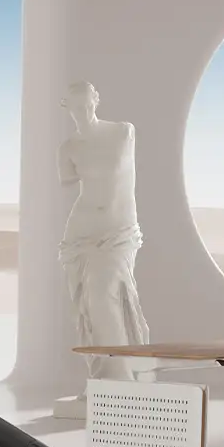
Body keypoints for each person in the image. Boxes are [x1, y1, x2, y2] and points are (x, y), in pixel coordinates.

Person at [58, 80, 153, 387]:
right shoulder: (69, 148)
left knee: (104, 296)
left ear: (96, 100)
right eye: (76, 106)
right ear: (67, 107)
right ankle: (105, 380)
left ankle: (122, 378)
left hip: (117, 230)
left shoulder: (122, 132)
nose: (83, 111)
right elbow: (70, 183)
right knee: (88, 304)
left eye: (87, 103)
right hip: (81, 232)